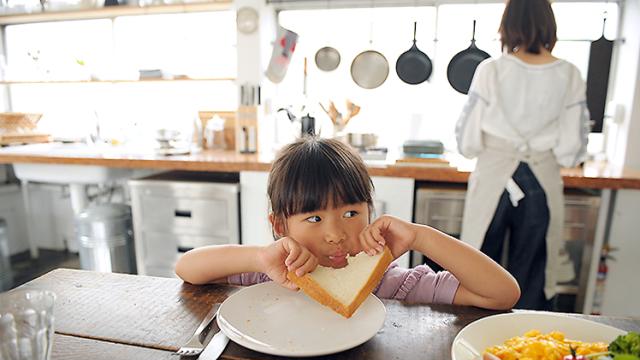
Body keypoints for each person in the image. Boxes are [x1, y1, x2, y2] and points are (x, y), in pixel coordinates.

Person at [176, 137, 520, 310]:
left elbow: (502, 294)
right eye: (313, 217)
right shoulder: (268, 273)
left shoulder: (389, 282)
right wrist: (257, 257)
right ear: (279, 225)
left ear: (371, 211)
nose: (336, 234)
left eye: (351, 214)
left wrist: (421, 237)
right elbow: (187, 268)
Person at [455, 0, 589, 310]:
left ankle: (470, 337)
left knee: (478, 269)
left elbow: (468, 140)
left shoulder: (490, 69)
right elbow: (572, 149)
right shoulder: (569, 73)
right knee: (532, 273)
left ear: (508, 25)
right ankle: (527, 345)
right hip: (540, 179)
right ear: (549, 25)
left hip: (494, 177)